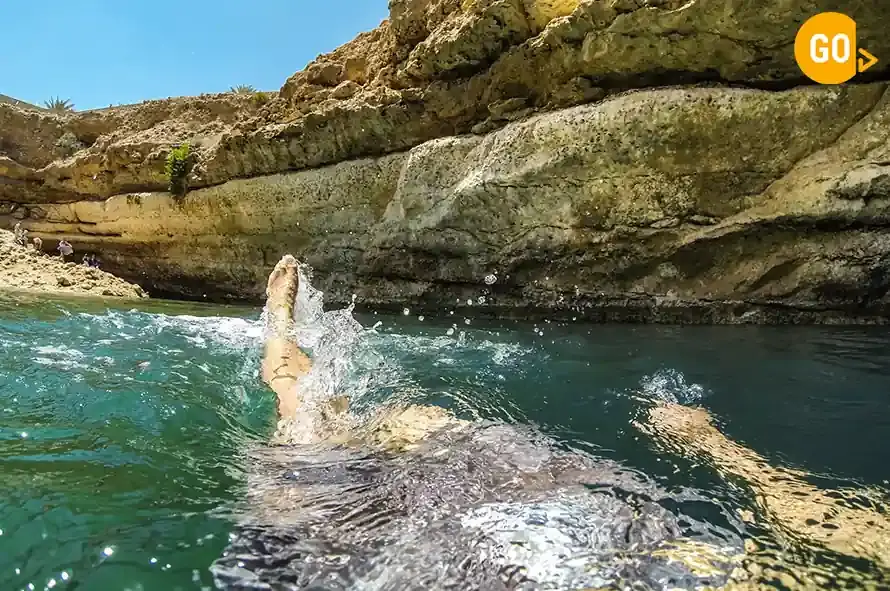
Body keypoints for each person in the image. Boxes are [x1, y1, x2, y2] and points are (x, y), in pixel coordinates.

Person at [231, 255, 890, 590]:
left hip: (434, 557)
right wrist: (717, 448)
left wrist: (714, 446)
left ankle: (283, 342)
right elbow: (827, 523)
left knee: (312, 441)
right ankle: (294, 359)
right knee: (405, 424)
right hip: (603, 537)